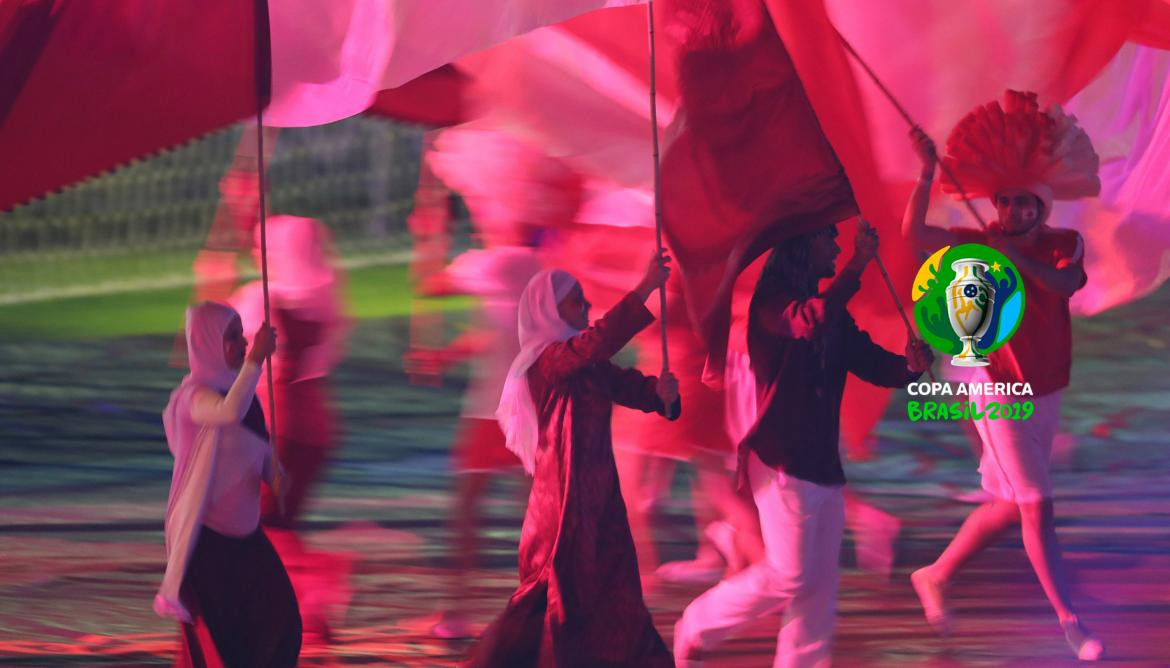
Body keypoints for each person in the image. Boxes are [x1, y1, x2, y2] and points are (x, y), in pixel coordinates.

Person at [674, 220, 933, 668]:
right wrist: (856, 265)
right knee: (791, 576)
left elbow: (867, 359)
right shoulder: (772, 302)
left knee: (818, 586)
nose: (835, 245)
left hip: (821, 458)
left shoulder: (830, 312)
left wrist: (908, 367)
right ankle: (698, 623)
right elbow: (807, 323)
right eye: (827, 236)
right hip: (781, 457)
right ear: (802, 244)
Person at [902, 90, 1104, 661]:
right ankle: (1071, 622)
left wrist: (1013, 258)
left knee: (1012, 503)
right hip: (992, 385)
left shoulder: (1065, 245)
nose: (1012, 213)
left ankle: (935, 575)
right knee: (1037, 503)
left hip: (1047, 386)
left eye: (1024, 205)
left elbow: (1066, 287)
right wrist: (924, 173)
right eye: (1005, 202)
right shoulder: (975, 244)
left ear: (1042, 208)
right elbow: (915, 238)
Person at [466, 252, 680, 667]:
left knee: (615, 587)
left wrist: (661, 395)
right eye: (575, 301)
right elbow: (595, 343)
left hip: (600, 500)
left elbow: (630, 386)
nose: (586, 307)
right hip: (562, 506)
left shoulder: (587, 365)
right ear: (550, 308)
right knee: (562, 597)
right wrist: (645, 286)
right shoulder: (547, 361)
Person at [404, 223, 544, 638]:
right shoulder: (524, 268)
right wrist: (445, 355)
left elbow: (432, 285)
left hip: (501, 410)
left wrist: (428, 245)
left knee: (479, 511)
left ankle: (465, 611)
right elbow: (495, 330)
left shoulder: (504, 260)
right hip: (516, 407)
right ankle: (516, 607)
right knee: (524, 512)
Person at [154, 302, 301, 667]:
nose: (242, 343)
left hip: (247, 544)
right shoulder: (192, 400)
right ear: (205, 343)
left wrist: (277, 475)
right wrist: (257, 361)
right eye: (231, 337)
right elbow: (225, 413)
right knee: (223, 646)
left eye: (241, 334)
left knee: (280, 623)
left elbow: (260, 451)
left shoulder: (247, 399)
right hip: (211, 549)